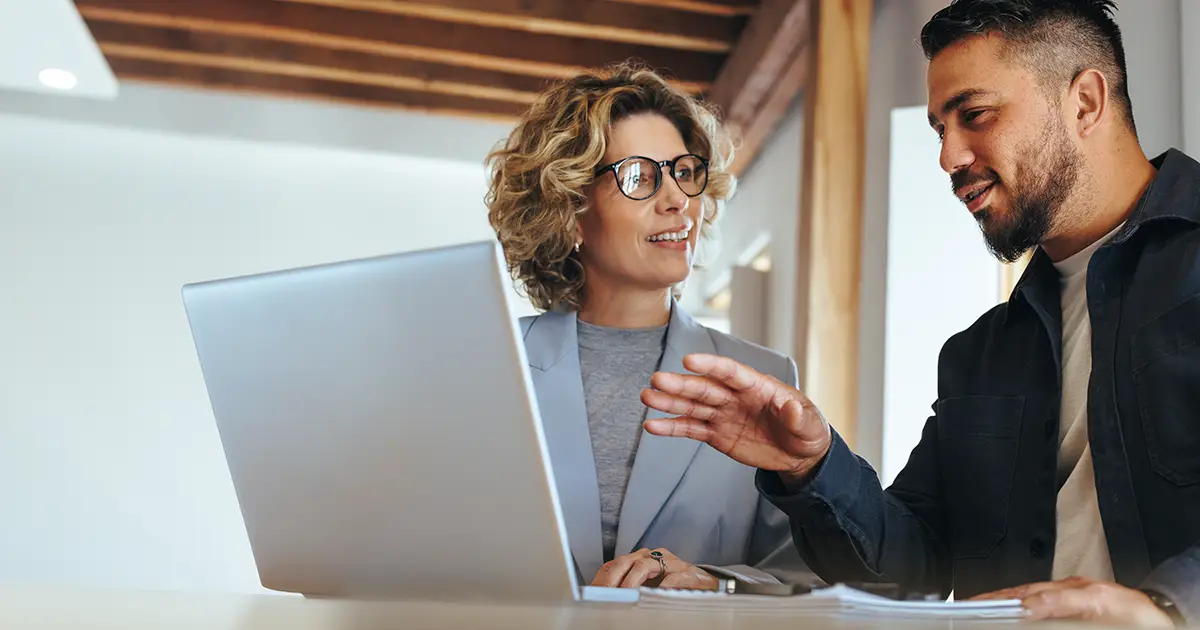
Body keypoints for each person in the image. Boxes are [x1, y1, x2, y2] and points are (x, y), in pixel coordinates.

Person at [640, 0, 1198, 626]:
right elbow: (910, 570)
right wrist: (812, 466)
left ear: (1086, 103)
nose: (949, 158)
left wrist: (1167, 609)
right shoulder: (980, 355)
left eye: (975, 115)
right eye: (940, 129)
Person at [484, 63, 810, 590]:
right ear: (570, 211)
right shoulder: (490, 365)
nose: (677, 200)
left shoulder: (762, 376)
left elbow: (806, 572)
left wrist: (713, 582)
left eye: (684, 172)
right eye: (640, 177)